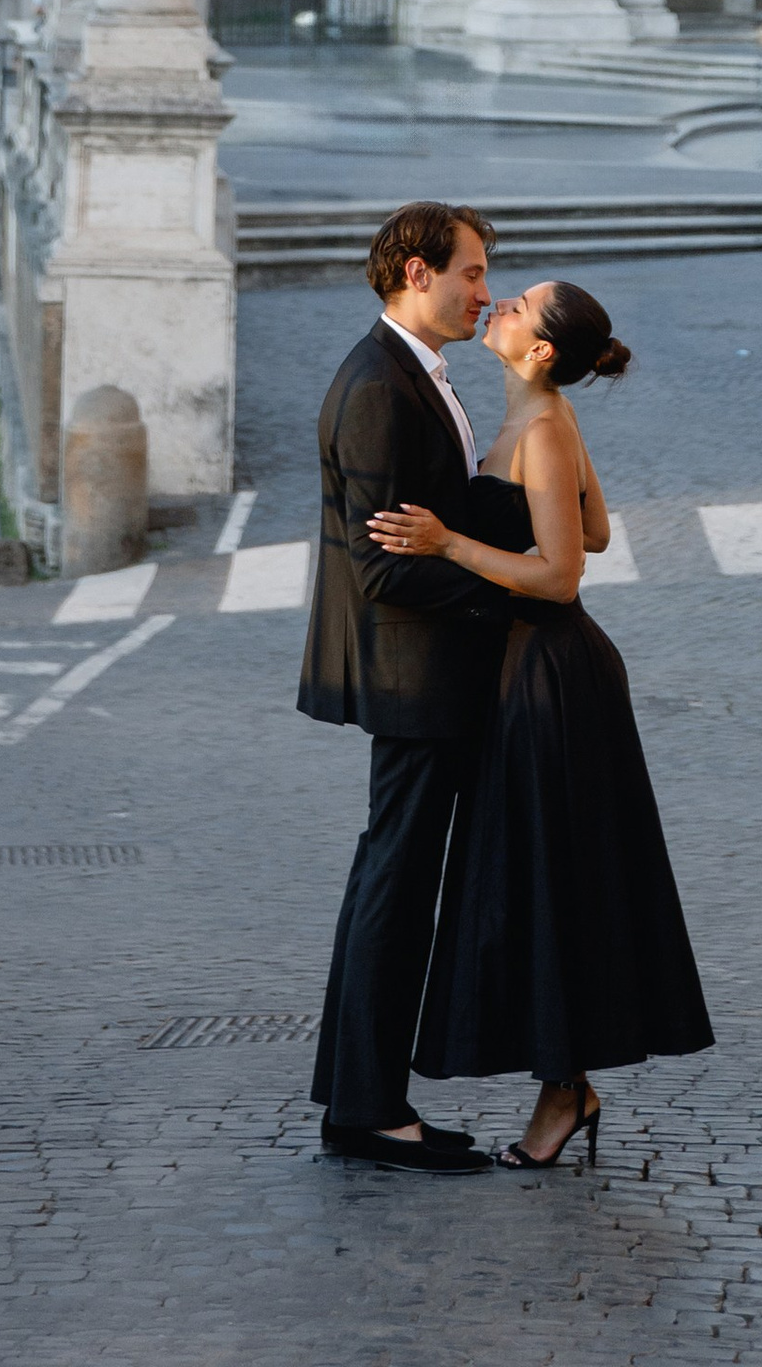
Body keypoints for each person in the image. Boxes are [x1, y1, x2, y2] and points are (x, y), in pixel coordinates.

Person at [368, 277, 712, 1170]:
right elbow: (593, 528)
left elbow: (563, 574)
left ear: (542, 349)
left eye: (518, 305)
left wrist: (449, 542)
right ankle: (568, 1085)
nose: (499, 305)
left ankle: (565, 1091)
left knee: (552, 881)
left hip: (549, 674)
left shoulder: (546, 427)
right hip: (531, 670)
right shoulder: (539, 417)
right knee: (541, 879)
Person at [298, 202, 512, 1174]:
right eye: (471, 273)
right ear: (416, 274)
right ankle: (373, 1110)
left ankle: (359, 1098)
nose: (484, 293)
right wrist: (507, 589)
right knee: (395, 884)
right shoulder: (380, 386)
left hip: (424, 674)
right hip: (414, 677)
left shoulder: (413, 372)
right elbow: (383, 567)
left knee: (388, 879)